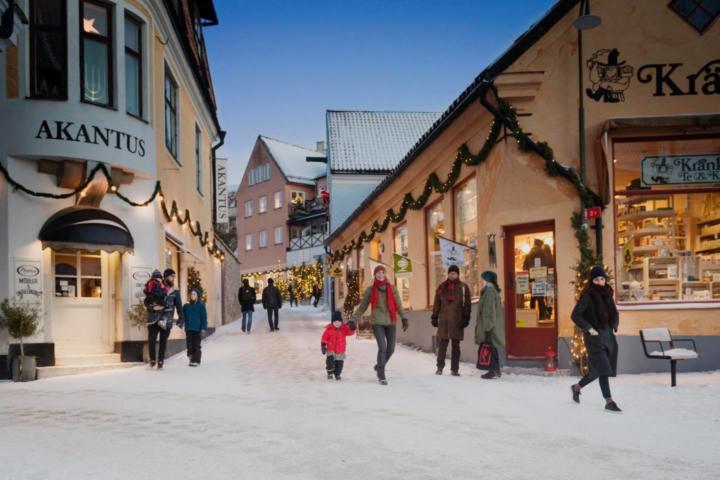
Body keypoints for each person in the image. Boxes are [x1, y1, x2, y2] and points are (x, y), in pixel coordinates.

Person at [570, 266, 622, 413]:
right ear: (592, 281)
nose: (600, 281)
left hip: (608, 336)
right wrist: (589, 329)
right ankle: (609, 401)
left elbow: (615, 313)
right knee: (604, 370)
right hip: (594, 338)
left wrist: (614, 325)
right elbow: (575, 315)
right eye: (597, 279)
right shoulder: (588, 295)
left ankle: (576, 387)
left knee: (596, 372)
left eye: (602, 279)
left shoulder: (607, 294)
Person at [352, 265, 409, 385]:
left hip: (391, 321)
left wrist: (404, 317)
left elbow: (398, 304)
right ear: (375, 275)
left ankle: (379, 366)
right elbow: (363, 306)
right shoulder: (371, 290)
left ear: (385, 274)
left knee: (391, 349)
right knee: (382, 347)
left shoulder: (392, 288)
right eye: (378, 273)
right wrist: (354, 318)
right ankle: (381, 374)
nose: (380, 274)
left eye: (382, 272)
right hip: (377, 322)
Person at [431, 265, 471, 376]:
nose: (452, 275)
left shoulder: (463, 287)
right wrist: (434, 316)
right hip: (444, 320)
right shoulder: (442, 287)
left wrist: (466, 317)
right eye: (450, 273)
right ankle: (439, 368)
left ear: (458, 274)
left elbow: (467, 304)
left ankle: (455, 369)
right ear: (448, 274)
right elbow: (437, 303)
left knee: (456, 346)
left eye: (454, 273)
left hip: (457, 320)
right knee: (442, 345)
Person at [148, 268, 184, 369]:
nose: (173, 278)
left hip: (167, 319)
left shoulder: (175, 290)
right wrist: (152, 307)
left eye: (174, 277)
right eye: (171, 276)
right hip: (154, 317)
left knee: (163, 341)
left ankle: (160, 361)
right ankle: (152, 360)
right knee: (152, 339)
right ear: (166, 276)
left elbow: (179, 305)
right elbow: (148, 300)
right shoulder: (157, 286)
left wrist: (181, 318)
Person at [476, 271, 505, 379]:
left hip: (490, 326)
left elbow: (488, 311)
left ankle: (492, 370)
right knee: (492, 347)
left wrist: (487, 328)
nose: (481, 281)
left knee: (490, 347)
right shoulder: (491, 291)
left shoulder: (489, 292)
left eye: (483, 279)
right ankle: (495, 369)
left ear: (487, 280)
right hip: (493, 325)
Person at [523, 239, 554, 320]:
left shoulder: (529, 254)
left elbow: (525, 268)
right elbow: (548, 267)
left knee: (535, 297)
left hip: (534, 278)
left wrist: (531, 276)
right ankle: (546, 314)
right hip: (547, 278)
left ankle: (533, 316)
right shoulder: (546, 255)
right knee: (547, 297)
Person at [321, 310, 356, 381]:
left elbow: (350, 333)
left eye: (339, 322)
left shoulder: (344, 329)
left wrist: (352, 328)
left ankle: (337, 374)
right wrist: (323, 346)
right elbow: (324, 338)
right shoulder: (329, 330)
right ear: (332, 322)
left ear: (341, 322)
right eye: (335, 322)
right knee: (330, 361)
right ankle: (330, 372)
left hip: (340, 350)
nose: (337, 323)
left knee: (339, 364)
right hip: (331, 349)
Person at [183, 288, 207, 366]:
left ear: (197, 296)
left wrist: (203, 328)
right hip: (189, 329)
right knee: (189, 345)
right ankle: (191, 358)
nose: (192, 296)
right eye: (191, 294)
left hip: (197, 329)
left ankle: (196, 360)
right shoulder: (186, 306)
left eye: (194, 294)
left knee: (196, 345)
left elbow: (204, 318)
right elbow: (183, 316)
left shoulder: (201, 306)